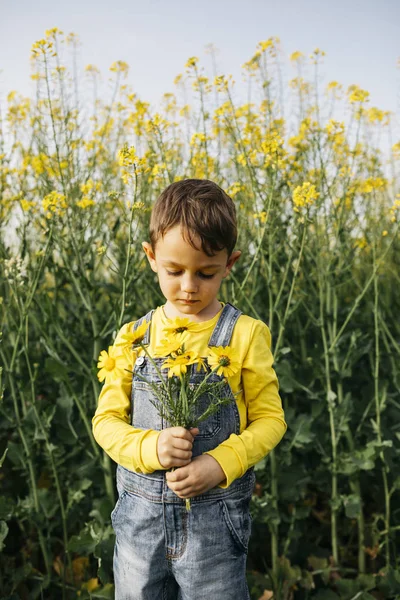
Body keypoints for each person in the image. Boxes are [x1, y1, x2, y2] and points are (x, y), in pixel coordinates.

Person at [92, 178, 287, 600]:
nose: (188, 287)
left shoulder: (245, 335)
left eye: (206, 273)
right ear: (150, 257)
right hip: (140, 529)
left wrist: (220, 463)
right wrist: (150, 448)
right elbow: (105, 422)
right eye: (174, 271)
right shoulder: (134, 337)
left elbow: (271, 420)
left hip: (214, 525)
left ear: (230, 263)